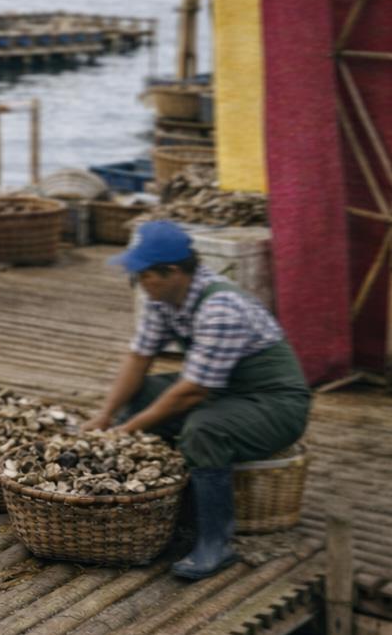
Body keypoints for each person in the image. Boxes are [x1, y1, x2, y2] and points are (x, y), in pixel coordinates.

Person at [83, 220, 310, 581]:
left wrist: (128, 430)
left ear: (172, 271)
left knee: (204, 431)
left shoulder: (221, 308)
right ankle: (155, 501)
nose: (140, 283)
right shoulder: (162, 298)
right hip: (224, 390)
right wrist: (106, 416)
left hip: (274, 403)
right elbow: (139, 357)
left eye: (144, 275)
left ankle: (215, 543)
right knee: (140, 395)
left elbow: (192, 391)